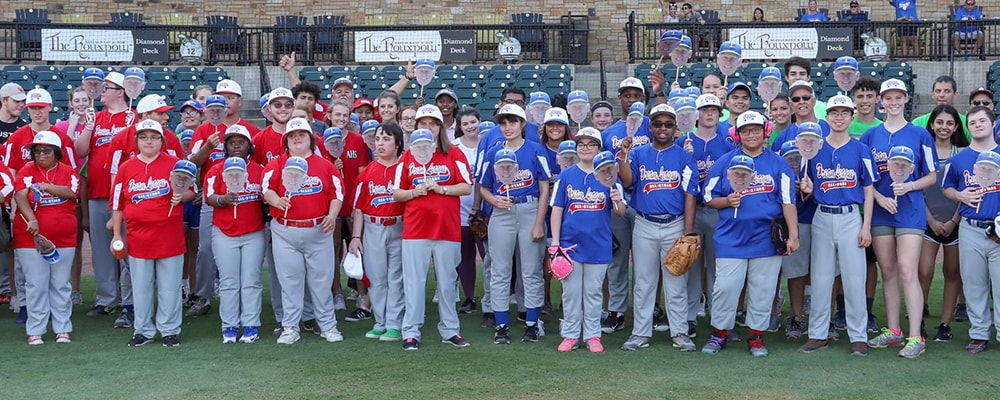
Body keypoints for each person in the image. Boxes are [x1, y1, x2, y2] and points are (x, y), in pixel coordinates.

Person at [701, 111, 799, 356]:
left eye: (756, 129)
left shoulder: (778, 163)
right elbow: (707, 197)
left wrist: (793, 235)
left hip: (766, 238)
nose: (751, 134)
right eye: (746, 130)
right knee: (725, 287)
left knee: (763, 288)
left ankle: (756, 336)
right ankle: (719, 333)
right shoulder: (725, 162)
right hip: (730, 237)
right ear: (738, 134)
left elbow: (788, 201)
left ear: (765, 131)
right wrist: (726, 201)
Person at [861, 78, 937, 359]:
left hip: (911, 211)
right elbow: (866, 178)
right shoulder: (871, 136)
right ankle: (893, 331)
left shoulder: (920, 135)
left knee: (908, 270)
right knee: (888, 271)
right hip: (881, 210)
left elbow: (932, 175)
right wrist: (880, 198)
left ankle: (916, 335)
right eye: (888, 98)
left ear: (906, 99)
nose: (893, 103)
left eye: (898, 97)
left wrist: (909, 186)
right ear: (881, 101)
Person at [797, 95, 876, 356]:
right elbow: (808, 187)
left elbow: (868, 190)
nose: (839, 117)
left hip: (850, 216)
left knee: (855, 279)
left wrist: (866, 226)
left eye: (844, 113)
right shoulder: (815, 148)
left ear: (852, 117)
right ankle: (817, 334)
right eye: (834, 112)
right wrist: (807, 189)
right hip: (822, 215)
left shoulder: (860, 149)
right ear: (826, 117)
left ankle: (858, 336)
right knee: (820, 278)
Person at [618, 104, 699, 351]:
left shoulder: (684, 156)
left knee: (676, 281)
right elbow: (628, 181)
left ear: (675, 128)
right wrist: (623, 155)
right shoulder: (640, 153)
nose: (662, 128)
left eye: (668, 124)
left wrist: (687, 233)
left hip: (674, 224)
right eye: (657, 123)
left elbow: (690, 195)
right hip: (644, 222)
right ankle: (640, 333)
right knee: (643, 281)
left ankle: (680, 333)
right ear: (650, 126)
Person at [392, 105, 473, 351]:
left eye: (433, 123)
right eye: (423, 123)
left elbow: (467, 186)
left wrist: (441, 189)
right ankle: (411, 332)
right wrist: (414, 192)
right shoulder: (408, 157)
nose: (429, 128)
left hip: (447, 228)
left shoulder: (454, 154)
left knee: (447, 282)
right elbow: (397, 192)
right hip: (416, 229)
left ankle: (450, 330)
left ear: (441, 127)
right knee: (414, 282)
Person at [111, 119, 195, 347]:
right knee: (141, 287)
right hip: (139, 237)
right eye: (144, 137)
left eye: (154, 137)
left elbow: (191, 191)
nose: (149, 141)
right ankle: (143, 330)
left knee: (169, 286)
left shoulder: (175, 163)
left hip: (169, 235)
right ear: (136, 140)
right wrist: (118, 235)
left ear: (162, 140)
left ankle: (169, 329)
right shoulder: (126, 168)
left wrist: (181, 196)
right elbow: (117, 203)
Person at [262, 117, 345, 345]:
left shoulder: (324, 165)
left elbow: (337, 192)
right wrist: (275, 199)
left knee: (321, 280)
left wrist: (332, 214)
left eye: (302, 134)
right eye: (292, 136)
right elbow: (266, 187)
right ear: (286, 141)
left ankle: (328, 325)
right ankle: (290, 327)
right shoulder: (277, 163)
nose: (297, 138)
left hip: (318, 229)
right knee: (290, 282)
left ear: (311, 139)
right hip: (285, 231)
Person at [479, 104, 551, 344]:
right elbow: (483, 186)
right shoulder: (493, 151)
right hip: (502, 213)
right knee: (500, 271)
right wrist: (492, 200)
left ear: (522, 124)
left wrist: (539, 222)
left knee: (530, 270)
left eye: (512, 122)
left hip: (530, 209)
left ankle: (531, 324)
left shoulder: (534, 149)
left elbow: (544, 188)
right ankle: (501, 326)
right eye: (503, 123)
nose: (507, 127)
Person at [550, 132, 627, 353]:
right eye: (581, 144)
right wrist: (555, 242)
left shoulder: (608, 175)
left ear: (599, 148)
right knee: (571, 291)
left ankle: (593, 335)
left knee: (593, 292)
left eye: (591, 144)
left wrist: (617, 201)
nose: (585, 148)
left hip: (599, 243)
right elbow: (557, 209)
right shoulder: (566, 176)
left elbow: (621, 212)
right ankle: (571, 334)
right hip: (570, 244)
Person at [73, 71, 136, 320]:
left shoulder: (133, 117)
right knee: (101, 249)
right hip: (99, 191)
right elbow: (80, 150)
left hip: (128, 194)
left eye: (107, 88)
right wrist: (88, 126)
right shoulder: (96, 118)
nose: (102, 91)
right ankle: (106, 298)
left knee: (127, 248)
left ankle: (129, 299)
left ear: (120, 92)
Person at [941, 106, 998, 354]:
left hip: (998, 228)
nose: (977, 125)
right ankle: (979, 334)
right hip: (970, 227)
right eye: (972, 122)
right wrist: (959, 195)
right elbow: (947, 188)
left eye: (982, 120)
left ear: (993, 123)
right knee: (974, 283)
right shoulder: (958, 159)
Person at [13, 131, 78, 345]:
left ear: (56, 152)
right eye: (37, 150)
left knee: (60, 283)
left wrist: (47, 186)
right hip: (30, 237)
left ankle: (62, 328)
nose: (41, 154)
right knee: (36, 284)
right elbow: (20, 194)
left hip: (64, 236)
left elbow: (72, 192)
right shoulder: (27, 170)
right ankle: (35, 330)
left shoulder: (68, 172)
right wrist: (31, 219)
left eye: (46, 150)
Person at [205, 125, 266, 344]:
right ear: (226, 146)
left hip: (253, 233)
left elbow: (267, 195)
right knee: (229, 282)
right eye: (232, 142)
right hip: (224, 232)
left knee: (251, 281)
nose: (237, 145)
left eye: (241, 142)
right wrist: (222, 199)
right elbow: (209, 196)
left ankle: (251, 324)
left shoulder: (259, 169)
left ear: (249, 146)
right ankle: (229, 326)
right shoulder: (216, 169)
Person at [350, 123, 406, 341]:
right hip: (373, 227)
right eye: (378, 139)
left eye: (386, 139)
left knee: (396, 277)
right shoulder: (367, 172)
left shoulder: (404, 169)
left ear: (398, 143)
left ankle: (394, 323)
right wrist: (356, 237)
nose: (380, 144)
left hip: (399, 226)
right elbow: (359, 208)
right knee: (376, 277)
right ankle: (380, 321)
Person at [918, 105, 968, 342]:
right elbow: (918, 191)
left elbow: (966, 190)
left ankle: (945, 325)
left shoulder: (962, 154)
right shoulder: (923, 152)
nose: (944, 127)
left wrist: (953, 221)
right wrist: (930, 219)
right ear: (931, 125)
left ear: (956, 126)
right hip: (928, 221)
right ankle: (918, 318)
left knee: (952, 272)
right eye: (939, 122)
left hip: (955, 223)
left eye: (949, 123)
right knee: (924, 270)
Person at [53, 86, 89, 306]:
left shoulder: (97, 124)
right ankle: (74, 288)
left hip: (93, 186)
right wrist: (73, 125)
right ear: (70, 103)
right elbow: (61, 151)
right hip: (69, 188)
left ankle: (112, 289)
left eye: (85, 100)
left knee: (97, 238)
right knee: (73, 242)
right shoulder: (62, 126)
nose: (81, 103)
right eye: (77, 100)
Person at [452, 108, 484, 314]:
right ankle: (469, 297)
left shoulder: (488, 143)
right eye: (465, 124)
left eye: (473, 122)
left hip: (484, 209)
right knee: (465, 255)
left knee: (488, 254)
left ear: (479, 121)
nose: (470, 127)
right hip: (459, 209)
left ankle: (491, 296)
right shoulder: (453, 147)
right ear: (459, 127)